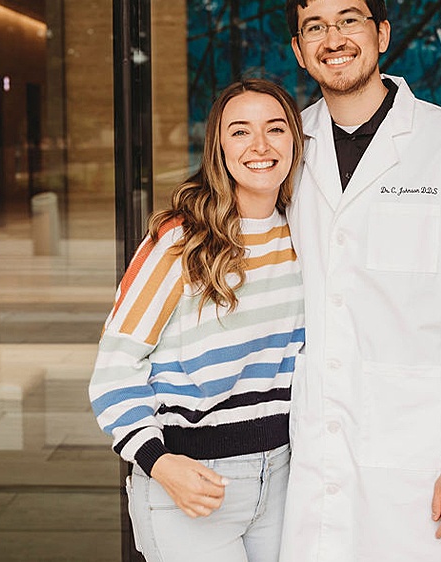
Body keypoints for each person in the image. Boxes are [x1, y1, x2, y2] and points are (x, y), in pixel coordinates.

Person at [279, 0, 441, 561]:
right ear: (299, 49)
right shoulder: (285, 149)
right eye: (315, 27)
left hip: (421, 447)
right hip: (309, 444)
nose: (333, 40)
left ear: (381, 35)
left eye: (349, 20)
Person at [89, 79, 305, 562]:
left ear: (295, 139)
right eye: (240, 132)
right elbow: (114, 367)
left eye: (275, 129)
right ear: (218, 147)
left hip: (287, 478)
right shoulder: (179, 241)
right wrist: (159, 463)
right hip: (189, 480)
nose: (260, 146)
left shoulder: (303, 234)